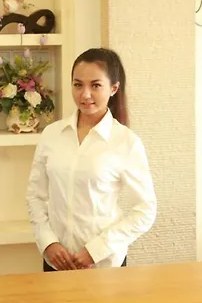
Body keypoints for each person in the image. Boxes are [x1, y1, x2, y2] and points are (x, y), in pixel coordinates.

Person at [26, 48, 157, 271]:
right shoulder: (52, 135)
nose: (85, 94)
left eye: (95, 85)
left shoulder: (126, 142)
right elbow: (35, 196)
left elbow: (145, 210)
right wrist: (48, 243)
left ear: (113, 88)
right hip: (57, 262)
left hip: (104, 266)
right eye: (78, 85)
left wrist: (96, 250)